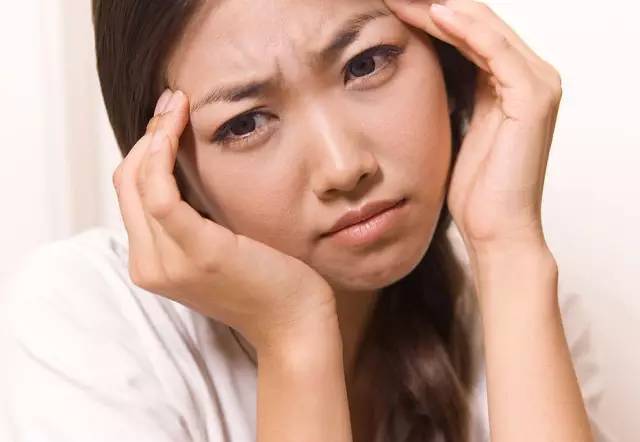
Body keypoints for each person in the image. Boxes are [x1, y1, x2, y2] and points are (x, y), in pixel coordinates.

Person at [0, 0, 614, 441]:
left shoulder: (510, 310)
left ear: (451, 58)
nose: (343, 166)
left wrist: (508, 249)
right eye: (245, 123)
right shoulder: (91, 322)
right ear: (168, 171)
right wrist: (293, 337)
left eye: (366, 64)